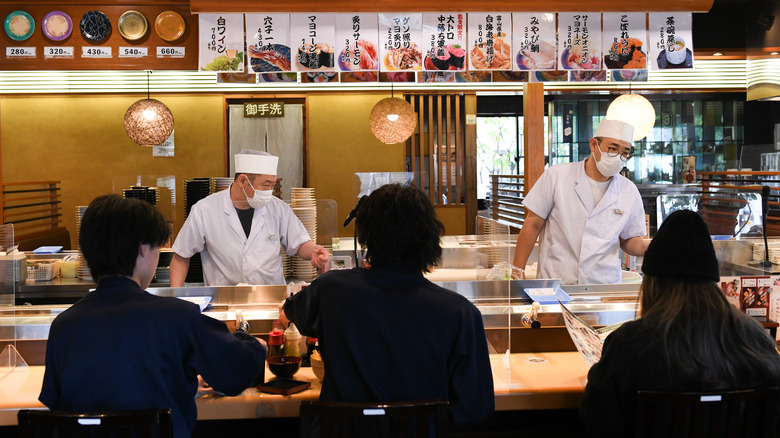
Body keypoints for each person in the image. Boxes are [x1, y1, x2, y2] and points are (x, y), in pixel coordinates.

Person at [39, 195, 267, 438]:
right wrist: (256, 345)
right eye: (158, 248)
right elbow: (236, 371)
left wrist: (181, 385)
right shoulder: (176, 316)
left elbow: (60, 405)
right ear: (142, 249)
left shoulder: (63, 327)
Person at [279, 183, 494, 427]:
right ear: (430, 238)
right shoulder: (460, 313)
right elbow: (476, 408)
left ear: (368, 237)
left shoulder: (332, 289)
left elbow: (288, 314)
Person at [580, 209, 780, 437]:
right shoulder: (755, 339)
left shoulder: (629, 344)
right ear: (711, 281)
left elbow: (597, 420)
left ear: (653, 283)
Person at [512, 119, 649, 284]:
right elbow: (532, 224)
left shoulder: (629, 190)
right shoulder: (557, 176)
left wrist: (649, 247)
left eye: (624, 153)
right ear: (593, 145)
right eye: (612, 149)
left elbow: (628, 240)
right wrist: (518, 270)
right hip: (557, 282)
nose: (618, 157)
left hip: (604, 285)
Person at [170, 149, 329, 286]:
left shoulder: (278, 208)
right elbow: (181, 256)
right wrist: (174, 298)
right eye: (266, 185)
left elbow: (300, 243)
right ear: (243, 180)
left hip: (270, 300)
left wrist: (314, 251)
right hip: (224, 301)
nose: (270, 191)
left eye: (273, 185)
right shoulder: (204, 210)